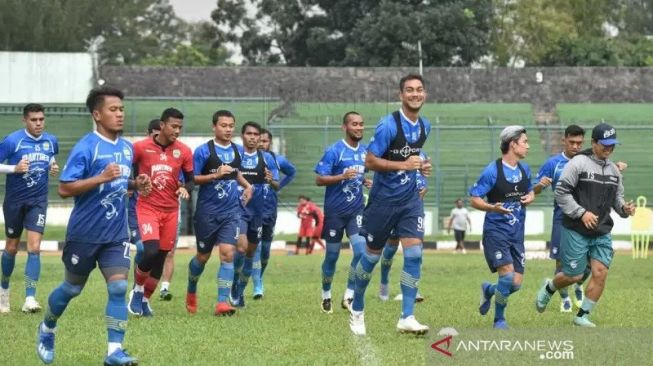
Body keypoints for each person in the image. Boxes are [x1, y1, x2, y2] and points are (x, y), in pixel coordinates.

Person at [36, 86, 151, 365]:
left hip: (116, 234)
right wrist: (100, 178)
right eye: (113, 110)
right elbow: (64, 188)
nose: (120, 114)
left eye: (122, 109)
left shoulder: (126, 148)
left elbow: (120, 182)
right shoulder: (86, 147)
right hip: (85, 234)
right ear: (97, 114)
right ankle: (47, 327)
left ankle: (114, 351)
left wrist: (137, 184)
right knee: (72, 288)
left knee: (118, 288)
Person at [348, 74, 432, 336]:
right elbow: (370, 162)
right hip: (383, 202)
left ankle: (407, 316)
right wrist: (403, 165)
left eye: (419, 90)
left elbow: (413, 158)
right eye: (409, 90)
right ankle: (357, 307)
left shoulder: (424, 126)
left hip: (410, 201)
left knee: (415, 254)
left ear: (424, 94)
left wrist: (421, 167)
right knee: (371, 257)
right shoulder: (388, 125)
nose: (415, 94)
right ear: (401, 95)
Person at [535, 123, 636, 327]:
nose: (609, 149)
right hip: (576, 229)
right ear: (594, 143)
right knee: (574, 275)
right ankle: (549, 287)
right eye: (605, 144)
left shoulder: (614, 170)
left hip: (601, 230)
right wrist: (581, 213)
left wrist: (625, 209)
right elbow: (561, 193)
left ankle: (582, 316)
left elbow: (617, 200)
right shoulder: (578, 163)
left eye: (612, 145)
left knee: (600, 272)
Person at [185, 110, 252, 316]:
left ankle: (222, 303)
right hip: (207, 212)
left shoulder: (238, 150)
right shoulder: (203, 151)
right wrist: (215, 174)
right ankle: (191, 288)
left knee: (227, 254)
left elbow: (236, 173)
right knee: (202, 257)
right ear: (214, 127)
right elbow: (192, 179)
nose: (228, 129)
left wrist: (248, 185)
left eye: (231, 126)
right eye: (224, 125)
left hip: (231, 212)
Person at [128, 108, 194, 317]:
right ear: (162, 126)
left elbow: (191, 179)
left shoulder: (183, 151)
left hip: (171, 211)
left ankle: (146, 300)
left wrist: (186, 188)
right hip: (147, 207)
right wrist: (133, 184)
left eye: (180, 127)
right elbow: (126, 168)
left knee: (162, 256)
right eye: (174, 126)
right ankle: (137, 291)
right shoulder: (140, 147)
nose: (177, 130)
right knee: (150, 251)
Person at [472, 125, 535, 330]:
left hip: (517, 234)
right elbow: (474, 199)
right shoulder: (493, 170)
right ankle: (499, 320)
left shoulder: (525, 169)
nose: (528, 146)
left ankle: (488, 290)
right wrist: (492, 208)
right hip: (496, 231)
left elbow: (530, 191)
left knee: (515, 284)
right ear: (512, 144)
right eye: (524, 142)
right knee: (506, 276)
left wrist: (531, 196)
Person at [0, 103, 59, 314]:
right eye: (34, 120)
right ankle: (4, 290)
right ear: (24, 120)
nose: (38, 124)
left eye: (41, 119)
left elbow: (51, 157)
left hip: (38, 201)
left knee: (34, 248)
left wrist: (53, 165)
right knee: (12, 248)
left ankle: (30, 298)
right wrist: (13, 169)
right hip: (14, 202)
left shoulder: (51, 141)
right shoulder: (12, 141)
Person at [315, 111, 369, 313]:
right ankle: (326, 294)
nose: (359, 128)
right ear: (345, 127)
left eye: (361, 124)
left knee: (362, 251)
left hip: (356, 210)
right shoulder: (334, 151)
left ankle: (349, 294)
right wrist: (342, 176)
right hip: (335, 213)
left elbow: (359, 175)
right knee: (331, 257)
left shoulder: (365, 152)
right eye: (354, 124)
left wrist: (365, 181)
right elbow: (319, 179)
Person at [532, 125, 586, 312]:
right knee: (561, 262)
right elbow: (533, 191)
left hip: (584, 218)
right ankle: (564, 298)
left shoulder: (588, 161)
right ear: (564, 140)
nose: (575, 146)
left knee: (588, 262)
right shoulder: (553, 163)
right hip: (561, 218)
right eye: (572, 142)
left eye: (579, 143)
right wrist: (539, 185)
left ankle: (578, 284)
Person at [231, 121, 278, 307]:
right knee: (241, 248)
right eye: (248, 133)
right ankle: (234, 282)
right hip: (239, 210)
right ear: (242, 136)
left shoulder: (266, 158)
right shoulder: (235, 155)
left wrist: (270, 179)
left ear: (260, 138)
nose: (252, 137)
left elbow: (276, 184)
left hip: (258, 212)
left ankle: (240, 290)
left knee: (250, 254)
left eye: (255, 134)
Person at [251, 128, 296, 299]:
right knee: (256, 247)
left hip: (270, 209)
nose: (261, 144)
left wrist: (278, 185)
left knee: (266, 251)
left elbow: (292, 172)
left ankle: (259, 277)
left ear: (269, 142)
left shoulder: (277, 160)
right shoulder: (247, 160)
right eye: (259, 140)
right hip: (252, 211)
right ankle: (257, 286)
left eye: (264, 141)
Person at [378, 151, 428, 302]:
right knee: (390, 249)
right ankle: (384, 284)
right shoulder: (393, 151)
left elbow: (423, 183)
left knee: (416, 252)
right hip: (393, 207)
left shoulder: (422, 154)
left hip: (414, 210)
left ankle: (412, 290)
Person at [127, 119, 161, 267]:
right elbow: (125, 170)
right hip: (136, 208)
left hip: (157, 209)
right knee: (142, 248)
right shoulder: (137, 151)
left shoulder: (166, 155)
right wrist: (130, 185)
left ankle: (144, 285)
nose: (157, 140)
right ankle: (137, 286)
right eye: (155, 135)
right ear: (147, 134)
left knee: (156, 252)